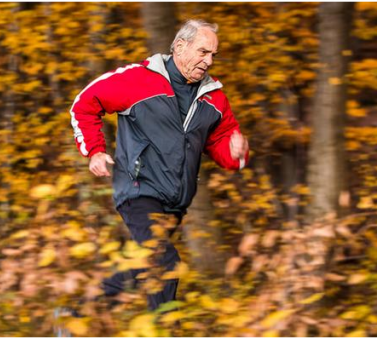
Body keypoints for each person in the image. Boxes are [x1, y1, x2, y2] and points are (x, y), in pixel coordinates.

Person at [69, 19, 249, 311]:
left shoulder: (214, 97)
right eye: (203, 52)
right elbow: (84, 104)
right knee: (164, 262)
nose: (209, 60)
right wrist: (94, 151)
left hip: (176, 201)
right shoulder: (139, 79)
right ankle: (161, 328)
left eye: (213, 55)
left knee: (148, 268)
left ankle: (76, 314)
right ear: (180, 46)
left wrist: (236, 152)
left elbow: (221, 142)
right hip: (139, 190)